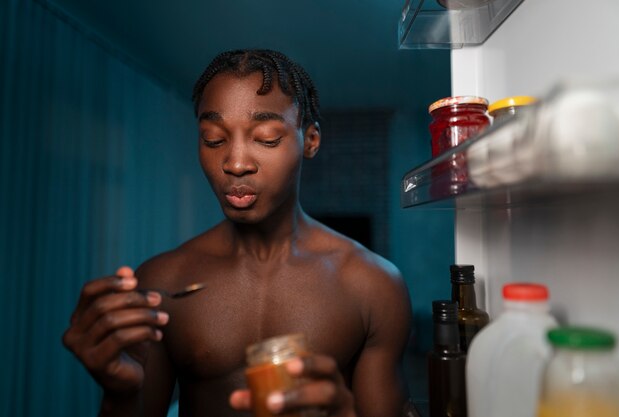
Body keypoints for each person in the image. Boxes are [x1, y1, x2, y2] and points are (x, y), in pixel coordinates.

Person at [62, 49, 414, 417]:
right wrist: (118, 394)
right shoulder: (163, 281)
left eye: (265, 138)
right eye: (214, 139)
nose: (235, 163)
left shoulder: (372, 284)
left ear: (310, 140)